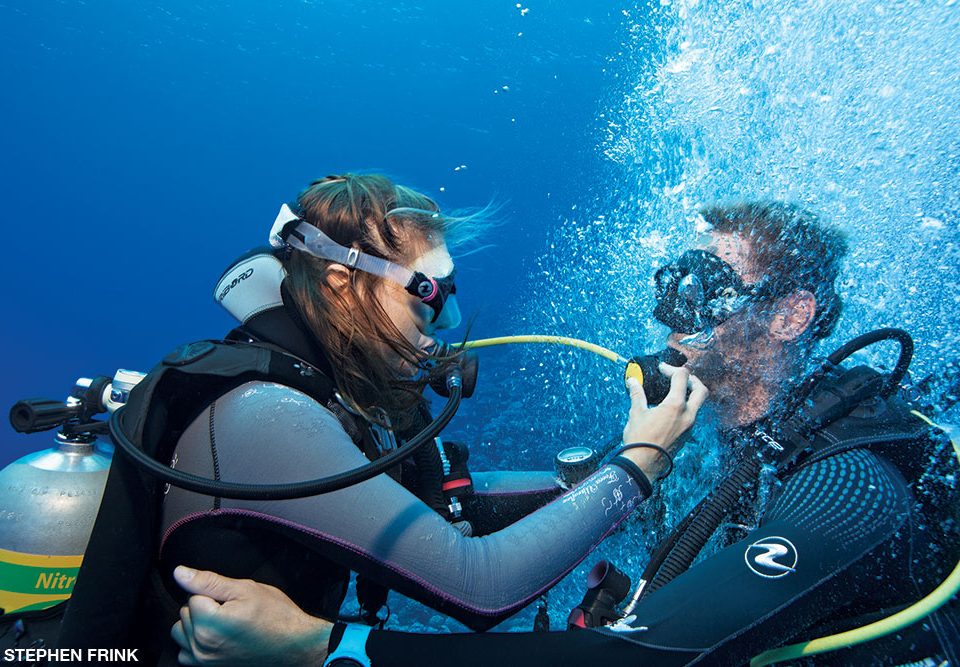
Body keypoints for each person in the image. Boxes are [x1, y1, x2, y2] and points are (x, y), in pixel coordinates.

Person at [170, 201, 960, 666]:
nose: (672, 316)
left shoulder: (851, 483)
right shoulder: (736, 449)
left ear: (790, 316)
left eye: (708, 288)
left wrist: (330, 648)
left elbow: (632, 661)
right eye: (675, 282)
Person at [58, 174, 706, 663]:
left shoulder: (331, 396)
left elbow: (450, 507)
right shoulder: (268, 413)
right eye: (427, 296)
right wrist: (637, 466)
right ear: (342, 281)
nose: (441, 329)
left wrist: (592, 478)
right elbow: (479, 585)